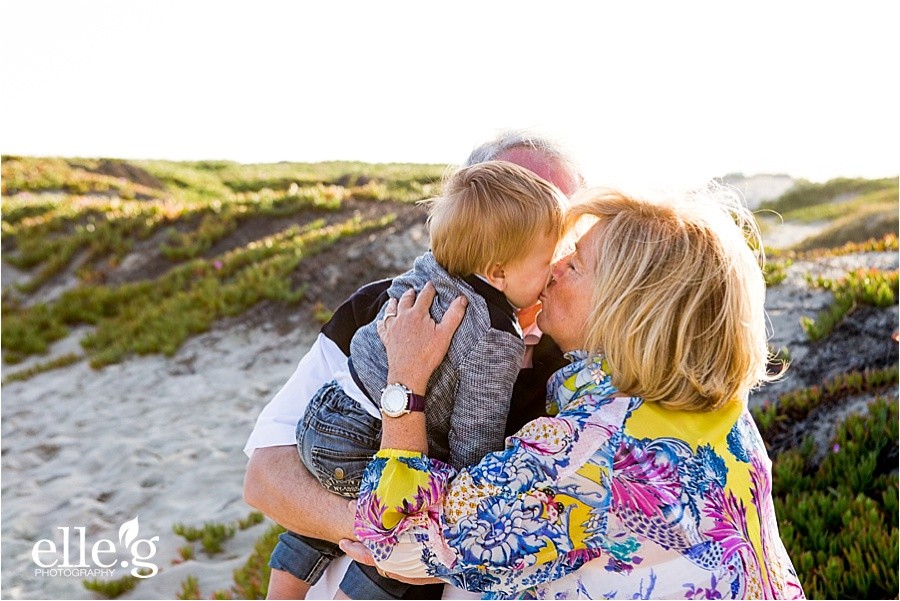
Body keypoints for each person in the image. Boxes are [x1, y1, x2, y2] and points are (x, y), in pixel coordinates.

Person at [352, 185, 806, 599]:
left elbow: (396, 539)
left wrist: (406, 384)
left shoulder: (585, 450)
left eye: (575, 264)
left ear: (627, 305)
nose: (553, 269)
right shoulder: (724, 415)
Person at [242, 130, 584, 599]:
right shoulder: (384, 304)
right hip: (369, 495)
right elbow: (265, 479)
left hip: (343, 443)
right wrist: (395, 536)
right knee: (410, 509)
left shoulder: (580, 352)